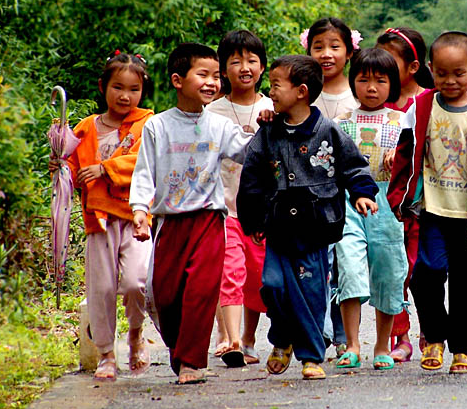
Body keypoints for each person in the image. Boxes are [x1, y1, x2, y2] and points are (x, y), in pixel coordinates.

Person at [237, 55, 379, 381]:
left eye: (276, 85)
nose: (270, 91)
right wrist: (254, 220)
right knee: (271, 286)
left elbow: (352, 165)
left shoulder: (328, 130)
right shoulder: (268, 131)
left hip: (316, 225)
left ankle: (311, 355)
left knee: (312, 291)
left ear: (301, 91)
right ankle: (282, 337)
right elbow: (253, 177)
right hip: (278, 226)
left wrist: (361, 193)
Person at [388, 31, 467, 374]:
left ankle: (461, 348)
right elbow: (405, 153)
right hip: (431, 208)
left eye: (459, 73)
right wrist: (399, 196)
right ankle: (433, 336)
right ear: (431, 69)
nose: (450, 80)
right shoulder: (420, 108)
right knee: (424, 273)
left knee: (463, 284)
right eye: (442, 73)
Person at [129, 43, 252, 385]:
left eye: (216, 76)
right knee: (165, 294)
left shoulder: (220, 126)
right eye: (204, 74)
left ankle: (192, 363)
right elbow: (144, 172)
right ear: (177, 80)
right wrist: (140, 210)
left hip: (210, 219)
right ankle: (179, 347)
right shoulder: (158, 126)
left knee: (200, 289)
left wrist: (271, 127)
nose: (212, 82)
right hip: (170, 222)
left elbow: (247, 152)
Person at [63, 51, 154, 380]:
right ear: (104, 87)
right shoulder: (86, 128)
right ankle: (105, 353)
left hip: (136, 216)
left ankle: (135, 333)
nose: (126, 96)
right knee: (101, 288)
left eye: (134, 89)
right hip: (98, 219)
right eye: (118, 87)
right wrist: (61, 167)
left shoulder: (148, 124)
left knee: (136, 281)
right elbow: (72, 173)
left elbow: (146, 163)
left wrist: (105, 168)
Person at [333, 48, 408, 371]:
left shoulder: (403, 122)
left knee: (388, 270)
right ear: (353, 82)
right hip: (348, 202)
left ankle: (382, 345)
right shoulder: (339, 123)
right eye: (364, 80)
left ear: (393, 84)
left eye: (380, 80)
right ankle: (351, 344)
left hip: (389, 203)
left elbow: (415, 162)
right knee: (348, 266)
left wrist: (399, 161)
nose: (372, 88)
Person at [206, 29, 274, 367]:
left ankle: (248, 338)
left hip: (263, 210)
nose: (244, 67)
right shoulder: (211, 111)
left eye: (251, 60)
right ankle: (231, 340)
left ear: (263, 67)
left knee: (259, 276)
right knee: (230, 271)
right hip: (224, 207)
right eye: (235, 61)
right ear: (223, 69)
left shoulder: (274, 107)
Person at [302, 16, 362, 356]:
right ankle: (317, 332)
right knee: (314, 265)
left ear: (349, 52)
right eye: (318, 47)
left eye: (334, 47)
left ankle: (342, 336)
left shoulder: (356, 97)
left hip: (344, 197)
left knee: (343, 264)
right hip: (308, 196)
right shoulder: (301, 92)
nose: (326, 54)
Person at [376, 26, 433, 361]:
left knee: (418, 268)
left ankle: (430, 326)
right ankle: (400, 335)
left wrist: (402, 154)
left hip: (419, 203)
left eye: (390, 62)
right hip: (383, 204)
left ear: (413, 67)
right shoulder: (375, 102)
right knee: (389, 268)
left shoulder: (427, 102)